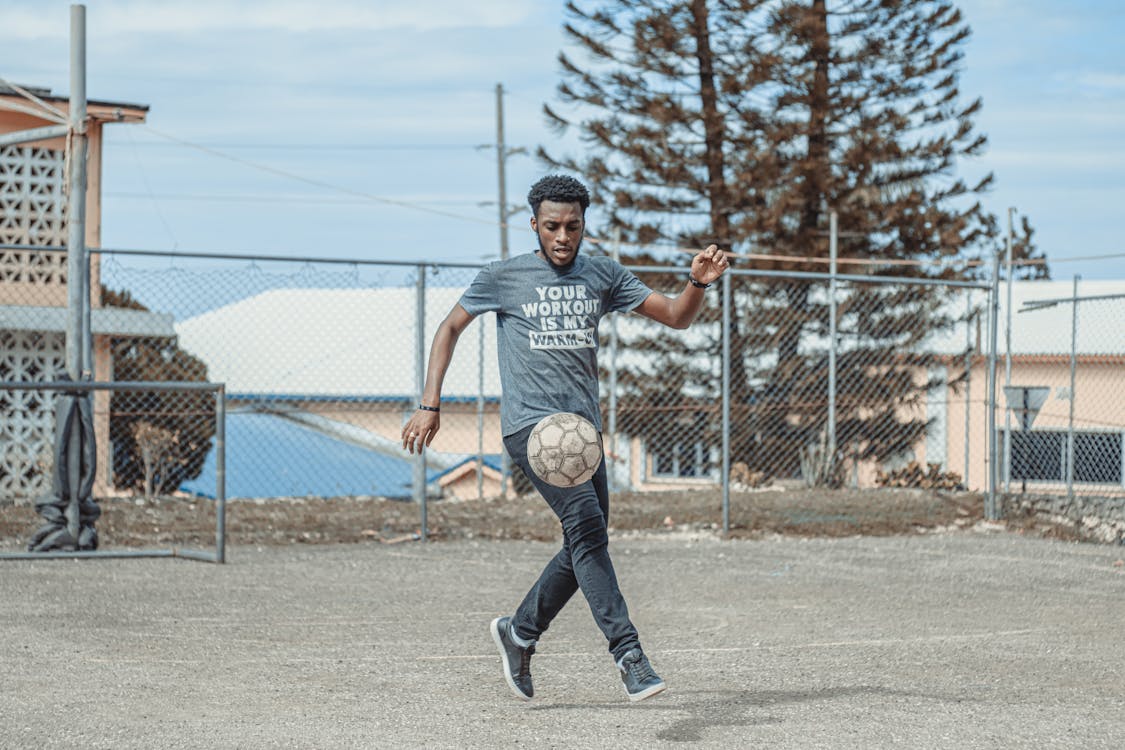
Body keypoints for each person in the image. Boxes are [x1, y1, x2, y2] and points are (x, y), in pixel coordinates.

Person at [401, 174, 729, 702]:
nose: (562, 236)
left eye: (572, 226)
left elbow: (675, 317)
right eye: (551, 226)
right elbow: (450, 327)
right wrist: (429, 404)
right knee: (585, 526)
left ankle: (520, 632)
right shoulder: (504, 277)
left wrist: (699, 283)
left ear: (583, 226)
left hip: (581, 436)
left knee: (586, 541)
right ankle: (629, 656)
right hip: (531, 429)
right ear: (534, 225)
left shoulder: (603, 275)